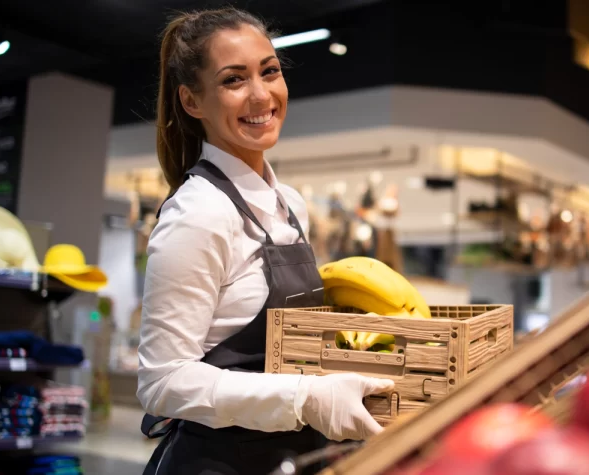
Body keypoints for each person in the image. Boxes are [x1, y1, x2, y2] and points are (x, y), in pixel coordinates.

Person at [136, 8, 395, 475]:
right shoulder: (198, 214)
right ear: (192, 101)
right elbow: (162, 382)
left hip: (293, 457)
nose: (261, 95)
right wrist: (306, 398)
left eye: (269, 71)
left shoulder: (290, 205)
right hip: (216, 463)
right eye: (234, 80)